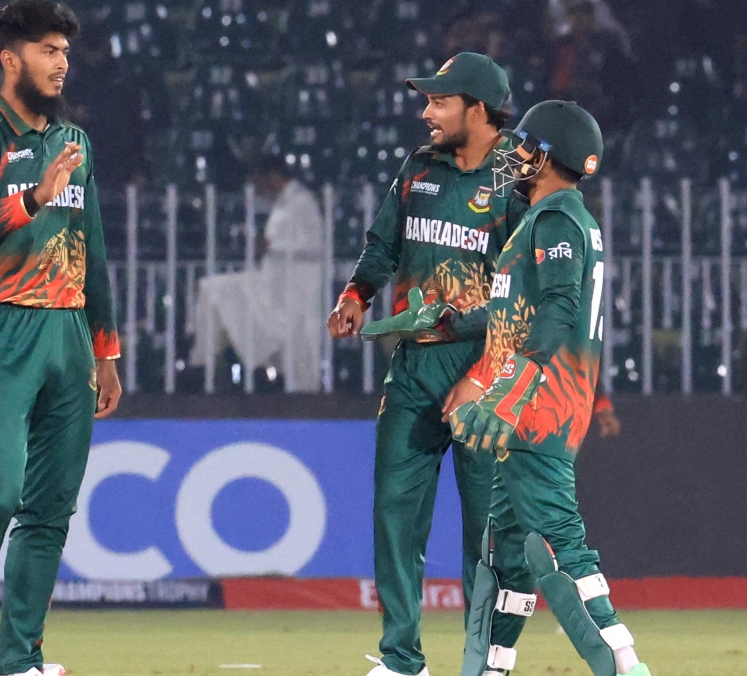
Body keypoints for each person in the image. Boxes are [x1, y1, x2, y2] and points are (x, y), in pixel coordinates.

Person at [0, 1, 122, 674]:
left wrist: (106, 349)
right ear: (11, 59)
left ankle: (20, 659)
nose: (61, 63)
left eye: (65, 52)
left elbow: (92, 248)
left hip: (69, 332)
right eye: (48, 50)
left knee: (49, 509)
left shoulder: (77, 142)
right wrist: (33, 198)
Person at [326, 52, 524, 676]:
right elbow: (383, 245)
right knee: (394, 515)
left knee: (483, 536)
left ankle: (483, 661)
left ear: (478, 109)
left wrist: (471, 334)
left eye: (440, 102)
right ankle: (401, 660)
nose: (426, 112)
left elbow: (530, 287)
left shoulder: (521, 181)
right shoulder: (419, 168)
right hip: (413, 369)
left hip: (486, 372)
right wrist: (355, 295)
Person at [448, 100, 650, 676]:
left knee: (556, 544)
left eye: (527, 146)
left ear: (550, 155)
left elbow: (559, 309)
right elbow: (517, 310)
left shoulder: (558, 217)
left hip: (540, 407)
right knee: (505, 556)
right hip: (538, 401)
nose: (516, 155)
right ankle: (486, 668)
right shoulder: (545, 219)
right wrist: (443, 321)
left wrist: (511, 391)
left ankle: (625, 668)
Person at [190, 154, 326, 392]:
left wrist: (269, 246)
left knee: (216, 291)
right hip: (271, 284)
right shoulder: (283, 204)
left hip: (291, 291)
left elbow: (313, 246)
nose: (258, 190)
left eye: (259, 182)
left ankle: (205, 364)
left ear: (273, 177)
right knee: (212, 292)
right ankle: (206, 363)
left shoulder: (302, 202)